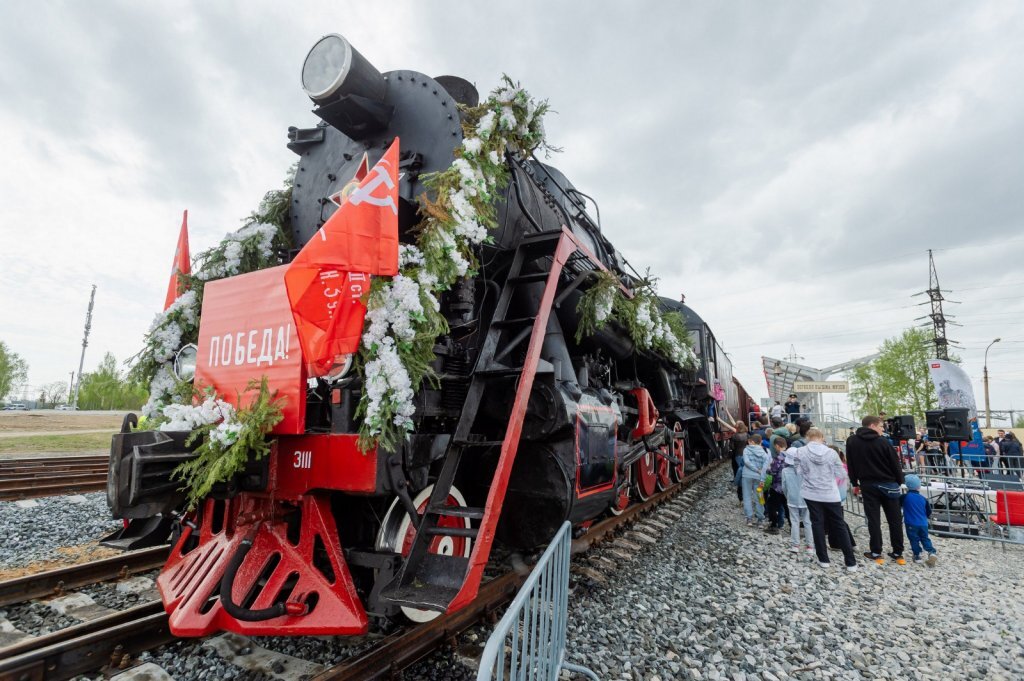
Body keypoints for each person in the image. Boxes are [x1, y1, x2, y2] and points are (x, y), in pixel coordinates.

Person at [785, 428, 857, 571]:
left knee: (817, 524)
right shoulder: (832, 453)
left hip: (811, 493)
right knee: (839, 525)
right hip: (830, 493)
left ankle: (823, 560)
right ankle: (850, 562)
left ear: (807, 437)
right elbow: (842, 474)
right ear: (822, 437)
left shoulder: (800, 452)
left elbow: (798, 471)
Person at [847, 415, 906, 565]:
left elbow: (851, 462)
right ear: (872, 426)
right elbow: (895, 463)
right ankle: (898, 552)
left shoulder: (852, 441)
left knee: (873, 520)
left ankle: (876, 551)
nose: (883, 429)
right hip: (889, 484)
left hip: (867, 484)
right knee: (895, 520)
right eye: (881, 426)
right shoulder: (883, 442)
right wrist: (901, 481)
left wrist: (854, 481)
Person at [780, 443, 815, 556]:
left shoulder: (785, 471)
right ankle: (810, 546)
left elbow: (784, 487)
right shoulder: (806, 470)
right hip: (806, 498)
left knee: (794, 522)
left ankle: (795, 545)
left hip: (792, 499)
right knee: (808, 522)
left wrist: (787, 496)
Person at [901, 474, 937, 566]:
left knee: (914, 539)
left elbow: (897, 505)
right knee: (925, 538)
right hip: (923, 523)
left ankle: (917, 555)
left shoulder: (904, 497)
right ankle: (931, 552)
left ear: (907, 485)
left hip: (911, 523)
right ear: (919, 486)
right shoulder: (923, 499)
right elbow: (929, 512)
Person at [740, 432, 770, 526]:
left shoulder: (746, 450)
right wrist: (761, 476)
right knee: (760, 497)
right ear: (760, 442)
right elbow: (766, 467)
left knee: (747, 496)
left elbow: (747, 462)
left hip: (747, 476)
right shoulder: (765, 452)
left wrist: (755, 469)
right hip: (759, 477)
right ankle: (760, 519)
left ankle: (749, 519)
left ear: (752, 441)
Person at [764, 437, 788, 534]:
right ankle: (792, 526)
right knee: (786, 506)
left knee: (772, 505)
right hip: (787, 487)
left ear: (778, 446)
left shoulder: (779, 457)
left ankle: (774, 526)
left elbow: (772, 471)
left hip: (777, 486)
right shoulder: (791, 455)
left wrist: (768, 469)